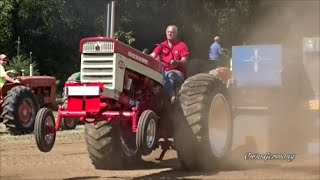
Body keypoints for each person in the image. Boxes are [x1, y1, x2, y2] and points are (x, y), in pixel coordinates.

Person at [150, 25, 190, 102]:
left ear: (176, 33)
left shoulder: (181, 45)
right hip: (162, 71)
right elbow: (152, 55)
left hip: (177, 73)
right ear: (166, 33)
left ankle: (169, 98)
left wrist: (177, 62)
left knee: (169, 74)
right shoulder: (162, 45)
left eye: (172, 32)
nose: (169, 34)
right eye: (168, 32)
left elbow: (185, 62)